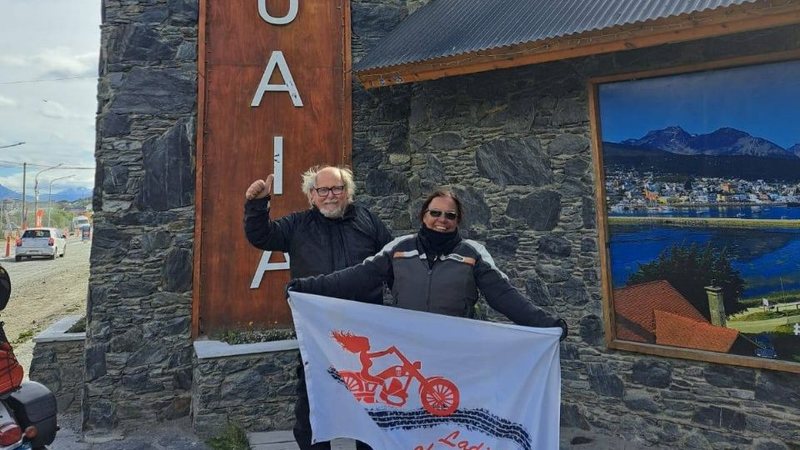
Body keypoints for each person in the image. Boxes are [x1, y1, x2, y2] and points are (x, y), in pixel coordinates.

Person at [244, 165, 391, 450]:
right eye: (322, 190)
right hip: (318, 335)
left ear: (347, 192)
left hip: (364, 334)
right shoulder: (298, 225)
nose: (330, 196)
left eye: (337, 188)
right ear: (311, 195)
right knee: (314, 404)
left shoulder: (367, 221)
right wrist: (257, 205)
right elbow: (262, 236)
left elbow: (391, 259)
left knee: (369, 403)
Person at [289, 189, 568, 336]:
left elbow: (505, 297)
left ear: (458, 220)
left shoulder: (473, 254)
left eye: (450, 215)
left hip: (454, 349)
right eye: (435, 213)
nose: (442, 220)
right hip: (407, 349)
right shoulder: (399, 248)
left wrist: (546, 323)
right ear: (424, 215)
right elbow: (355, 277)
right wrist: (305, 286)